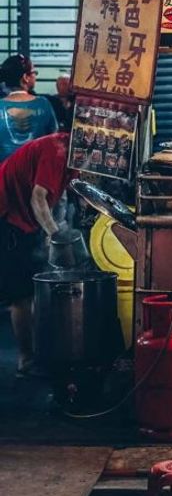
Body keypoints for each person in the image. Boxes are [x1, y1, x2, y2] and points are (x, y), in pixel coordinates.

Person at [0, 131, 70, 375]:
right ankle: (26, 360)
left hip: (22, 219)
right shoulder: (57, 152)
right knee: (22, 295)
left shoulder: (70, 150)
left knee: (32, 290)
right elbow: (38, 199)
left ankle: (36, 353)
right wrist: (55, 233)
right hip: (7, 216)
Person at [0, 55, 57, 163]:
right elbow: (54, 139)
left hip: (3, 173)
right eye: (34, 72)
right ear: (25, 77)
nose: (35, 75)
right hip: (35, 172)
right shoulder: (43, 104)